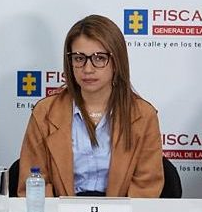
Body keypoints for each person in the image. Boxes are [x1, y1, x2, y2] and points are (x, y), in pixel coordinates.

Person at [17, 14, 163, 197]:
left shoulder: (143, 115)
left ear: (117, 62)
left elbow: (146, 187)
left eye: (99, 58)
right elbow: (33, 183)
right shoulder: (45, 113)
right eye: (79, 58)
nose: (87, 69)